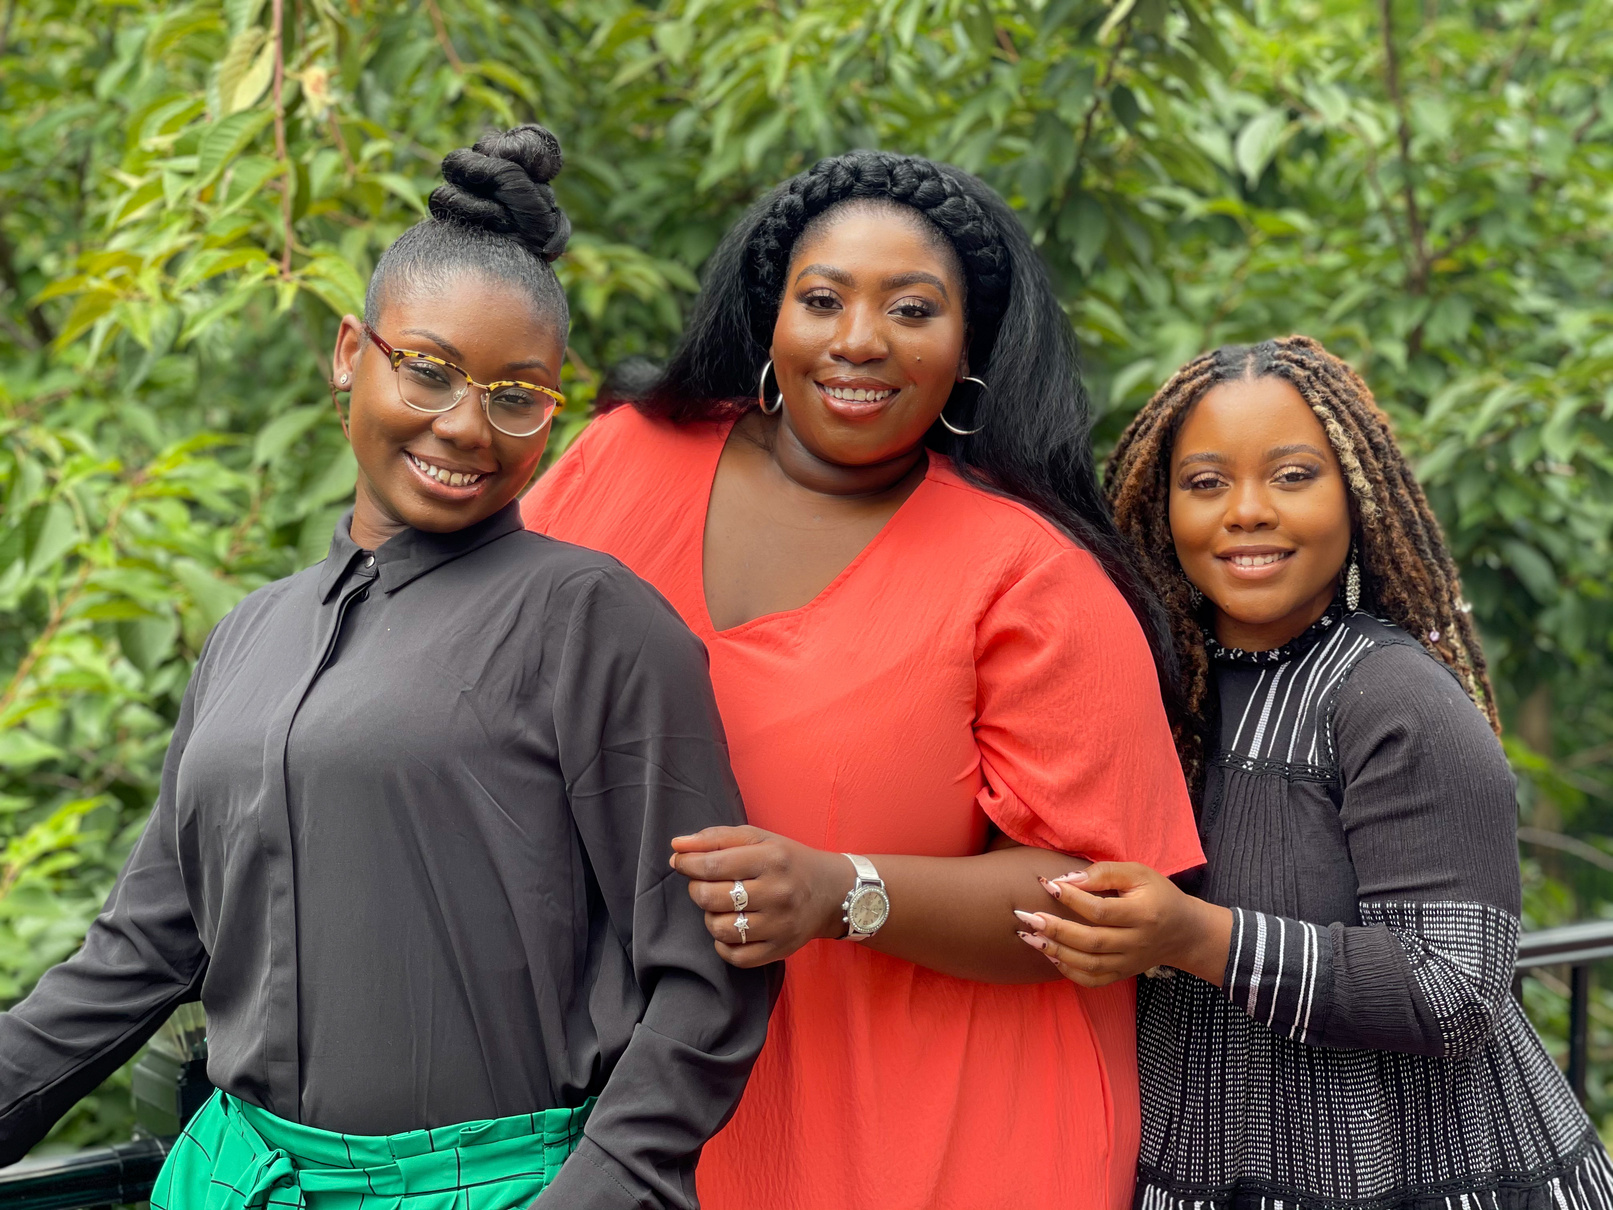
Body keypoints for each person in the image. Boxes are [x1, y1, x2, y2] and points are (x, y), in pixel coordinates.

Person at [0, 126, 772, 1210]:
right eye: (430, 370)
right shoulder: (250, 634)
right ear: (350, 354)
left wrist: (598, 1192)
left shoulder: (591, 621)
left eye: (517, 395)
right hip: (234, 1177)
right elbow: (141, 950)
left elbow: (707, 974)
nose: (466, 426)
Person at [522, 150, 1204, 1210]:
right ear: (771, 316)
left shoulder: (1030, 576)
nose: (857, 340)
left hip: (931, 1136)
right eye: (823, 298)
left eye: (912, 308)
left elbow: (1099, 903)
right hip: (630, 1110)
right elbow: (473, 653)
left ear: (967, 344)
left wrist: (845, 892)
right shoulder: (624, 458)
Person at [1016, 335, 1613, 1208]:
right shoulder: (1149, 688)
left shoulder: (1395, 697)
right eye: (1206, 482)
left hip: (1417, 1176)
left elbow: (1455, 990)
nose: (1246, 510)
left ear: (1357, 498)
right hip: (1199, 1160)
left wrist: (1192, 936)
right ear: (1159, 505)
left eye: (1292, 476)